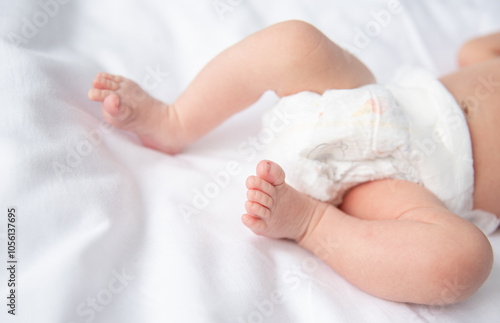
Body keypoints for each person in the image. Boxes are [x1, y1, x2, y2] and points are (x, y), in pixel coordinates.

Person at [88, 20, 500, 305]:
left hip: (408, 188)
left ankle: (312, 224)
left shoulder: (395, 194)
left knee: (465, 261)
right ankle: (173, 121)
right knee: (295, 43)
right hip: (374, 100)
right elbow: (474, 51)